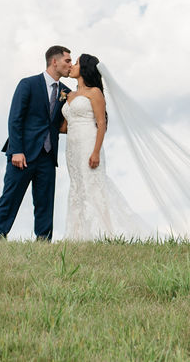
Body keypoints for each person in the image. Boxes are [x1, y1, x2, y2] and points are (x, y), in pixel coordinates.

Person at [0, 45, 72, 241]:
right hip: (22, 154)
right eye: (67, 60)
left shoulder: (66, 92)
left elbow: (62, 124)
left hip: (48, 156)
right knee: (10, 198)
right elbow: (15, 119)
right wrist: (17, 150)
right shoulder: (28, 84)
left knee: (45, 201)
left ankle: (43, 241)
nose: (70, 64)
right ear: (54, 61)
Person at [62, 53, 147, 240]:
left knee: (92, 185)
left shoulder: (95, 93)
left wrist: (96, 152)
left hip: (88, 144)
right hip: (72, 147)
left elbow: (101, 123)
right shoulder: (69, 95)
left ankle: (103, 232)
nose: (72, 67)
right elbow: (65, 126)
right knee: (77, 187)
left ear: (84, 69)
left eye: (75, 63)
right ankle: (78, 234)